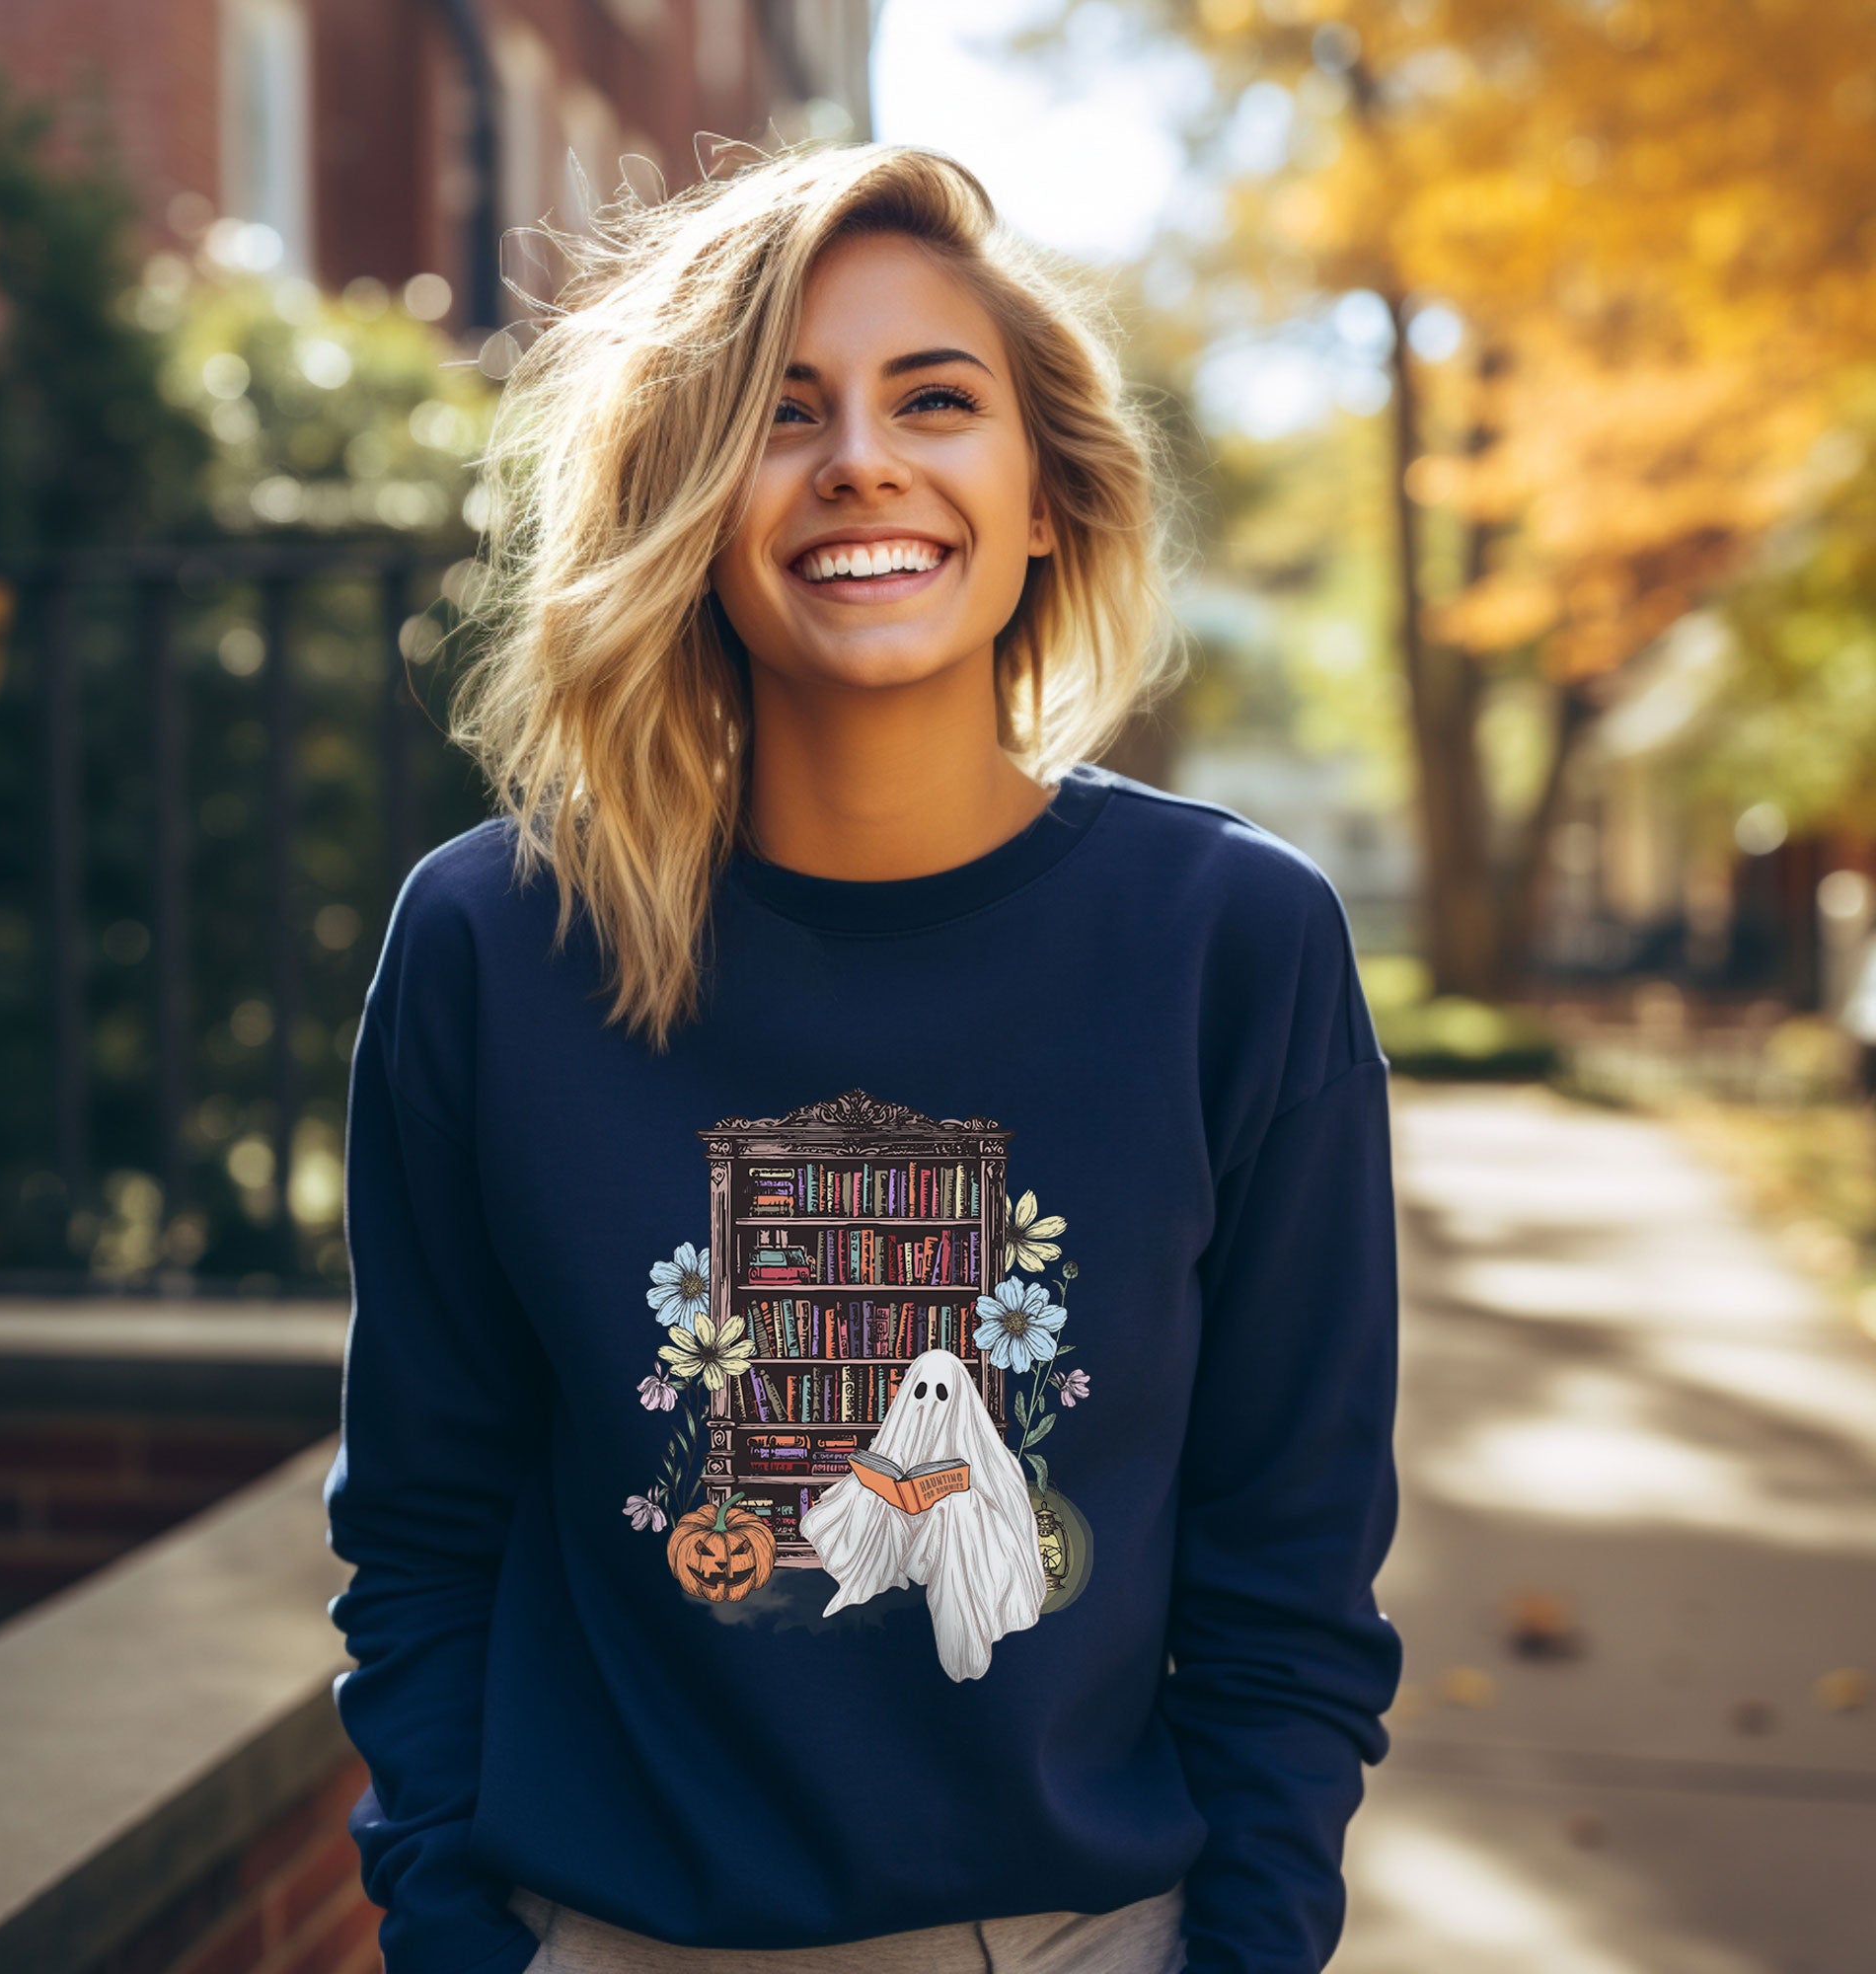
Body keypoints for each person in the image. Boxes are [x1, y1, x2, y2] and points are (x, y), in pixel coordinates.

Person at [322, 137, 1403, 1974]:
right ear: (689, 502)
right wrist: (454, 1935)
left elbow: (1289, 1573)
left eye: (935, 399)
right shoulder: (493, 944)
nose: (861, 461)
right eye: (779, 411)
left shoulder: (1233, 944)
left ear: (1047, 495)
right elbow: (424, 1525)